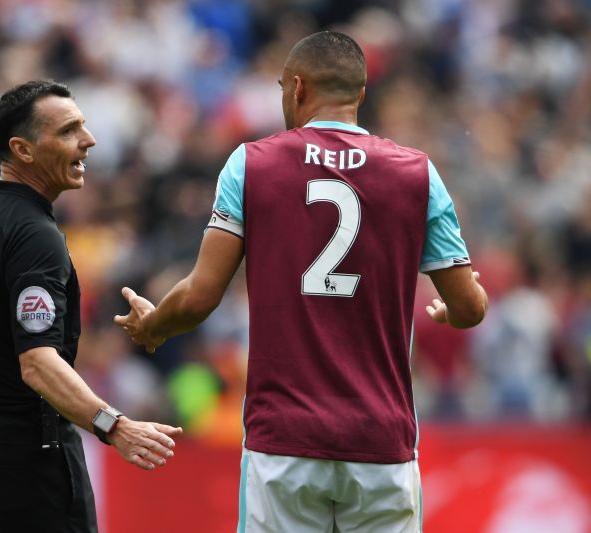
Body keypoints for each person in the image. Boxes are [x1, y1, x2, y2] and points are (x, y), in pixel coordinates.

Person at [115, 32, 488, 532]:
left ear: (296, 87)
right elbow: (469, 307)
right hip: (381, 442)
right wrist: (453, 310)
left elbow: (201, 297)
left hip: (283, 441)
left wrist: (155, 324)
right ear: (359, 94)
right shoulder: (417, 173)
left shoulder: (252, 164)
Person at [0, 80, 182, 533]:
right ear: (22, 150)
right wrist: (113, 426)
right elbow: (37, 364)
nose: (89, 140)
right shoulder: (36, 238)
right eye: (69, 130)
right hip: (27, 454)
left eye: (83, 125)